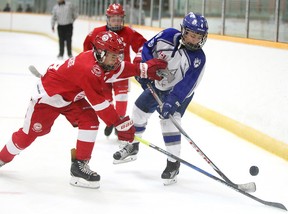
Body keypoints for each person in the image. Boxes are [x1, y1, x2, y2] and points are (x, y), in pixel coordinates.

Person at [0, 31, 167, 189]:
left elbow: (120, 69)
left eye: (118, 55)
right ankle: (2, 157)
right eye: (113, 55)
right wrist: (118, 123)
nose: (117, 60)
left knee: (90, 121)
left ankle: (79, 166)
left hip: (71, 96)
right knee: (29, 135)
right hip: (49, 98)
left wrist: (142, 69)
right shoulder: (89, 70)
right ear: (101, 53)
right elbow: (100, 104)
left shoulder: (102, 61)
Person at [113, 12, 209, 185]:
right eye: (192, 35)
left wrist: (173, 101)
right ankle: (133, 146)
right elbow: (147, 48)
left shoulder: (198, 58)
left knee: (169, 122)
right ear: (184, 31)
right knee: (138, 110)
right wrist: (146, 69)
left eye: (198, 37)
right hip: (158, 85)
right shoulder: (167, 35)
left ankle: (173, 163)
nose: (195, 40)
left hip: (180, 94)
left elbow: (187, 85)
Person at [83, 3, 147, 137]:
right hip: (103, 73)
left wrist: (139, 60)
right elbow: (87, 47)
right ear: (107, 19)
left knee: (122, 96)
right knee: (107, 99)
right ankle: (111, 121)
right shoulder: (97, 32)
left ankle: (120, 122)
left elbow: (144, 45)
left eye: (119, 19)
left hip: (121, 72)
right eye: (113, 18)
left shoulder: (129, 32)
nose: (116, 21)